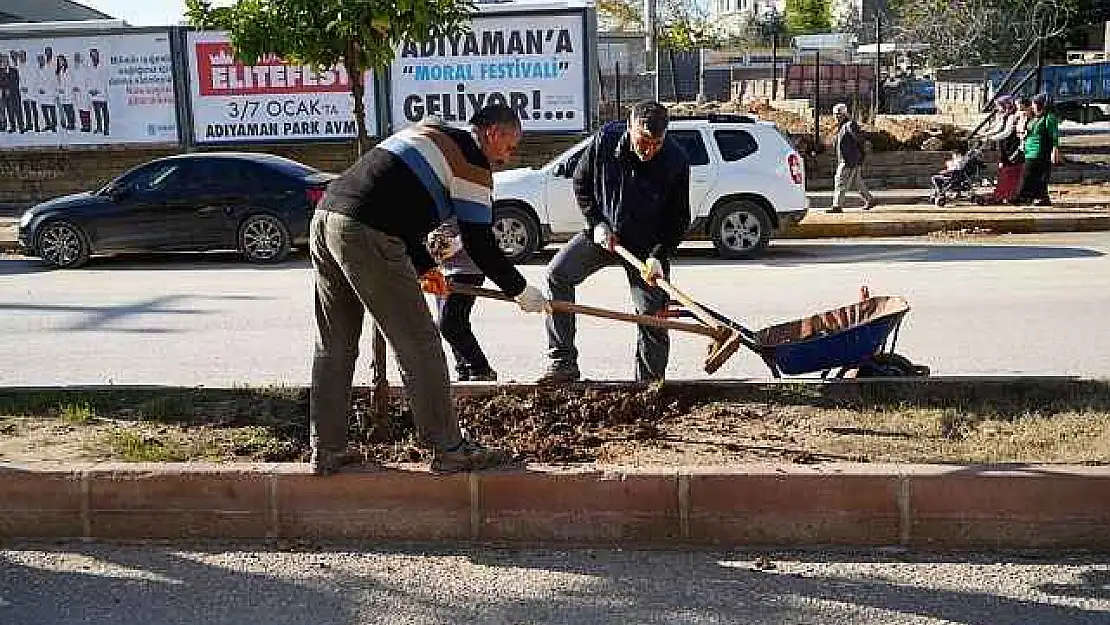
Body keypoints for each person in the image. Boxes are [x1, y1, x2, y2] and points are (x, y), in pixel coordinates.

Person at [309, 103, 548, 475]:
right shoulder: (471, 162)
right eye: (510, 146)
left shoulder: (431, 135)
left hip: (327, 218)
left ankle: (327, 449)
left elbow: (399, 202)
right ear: (494, 133)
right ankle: (449, 448)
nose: (508, 156)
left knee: (334, 344)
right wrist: (520, 289)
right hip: (366, 232)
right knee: (419, 343)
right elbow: (479, 242)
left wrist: (425, 267)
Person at [538, 100, 691, 384]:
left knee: (652, 315)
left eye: (656, 143)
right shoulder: (605, 142)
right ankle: (563, 364)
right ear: (629, 127)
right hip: (606, 235)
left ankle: (649, 384)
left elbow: (679, 218)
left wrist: (658, 255)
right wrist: (596, 223)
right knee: (557, 275)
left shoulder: (676, 160)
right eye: (643, 141)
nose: (649, 150)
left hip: (646, 250)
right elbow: (581, 183)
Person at [426, 218, 499, 382]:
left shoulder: (467, 194)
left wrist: (459, 242)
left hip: (467, 269)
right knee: (452, 323)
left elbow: (483, 220)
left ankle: (480, 368)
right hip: (443, 269)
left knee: (449, 324)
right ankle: (465, 370)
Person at [827, 102, 875, 213]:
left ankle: (837, 206)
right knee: (857, 182)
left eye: (838, 114)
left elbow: (860, 140)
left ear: (844, 114)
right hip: (852, 159)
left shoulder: (849, 125)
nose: (836, 116)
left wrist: (858, 156)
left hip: (848, 160)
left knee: (840, 181)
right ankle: (870, 200)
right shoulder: (843, 126)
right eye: (835, 114)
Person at [1015, 93, 1059, 206]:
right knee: (1037, 176)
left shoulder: (1049, 118)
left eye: (1034, 105)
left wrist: (1055, 150)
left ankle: (1021, 197)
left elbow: (1054, 135)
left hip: (1040, 150)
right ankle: (1041, 198)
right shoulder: (1034, 118)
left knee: (1028, 174)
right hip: (1029, 150)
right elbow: (1024, 131)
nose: (1032, 107)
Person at [982, 95, 1022, 203]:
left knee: (1011, 170)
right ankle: (1002, 193)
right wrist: (985, 134)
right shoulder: (1003, 115)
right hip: (1004, 146)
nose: (998, 109)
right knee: (1003, 169)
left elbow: (1007, 132)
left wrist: (991, 138)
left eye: (1000, 106)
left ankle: (1010, 194)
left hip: (1012, 145)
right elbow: (998, 128)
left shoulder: (1013, 116)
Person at [88, 48, 109, 135]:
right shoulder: (90, 67)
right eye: (92, 55)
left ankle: (106, 129)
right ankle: (99, 127)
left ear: (98, 55)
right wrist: (91, 90)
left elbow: (104, 80)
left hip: (102, 93)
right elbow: (89, 80)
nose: (94, 56)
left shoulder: (103, 66)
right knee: (97, 112)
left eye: (95, 54)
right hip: (94, 94)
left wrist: (98, 90)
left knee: (104, 112)